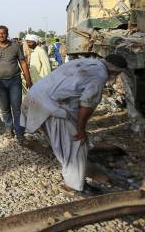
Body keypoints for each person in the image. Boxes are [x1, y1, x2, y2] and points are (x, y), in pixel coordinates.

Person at [21, 54, 128, 194]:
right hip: (51, 106)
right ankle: (72, 186)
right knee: (75, 146)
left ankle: (79, 174)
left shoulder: (87, 62)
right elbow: (87, 105)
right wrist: (81, 129)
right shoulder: (100, 76)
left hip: (36, 97)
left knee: (62, 143)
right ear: (115, 71)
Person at [0, 25, 33, 141]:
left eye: (4, 33)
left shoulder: (15, 46)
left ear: (7, 33)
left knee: (16, 107)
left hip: (14, 80)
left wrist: (28, 80)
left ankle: (19, 132)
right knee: (5, 107)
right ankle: (8, 129)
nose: (1, 35)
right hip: (0, 82)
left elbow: (23, 63)